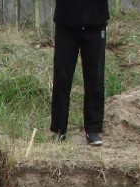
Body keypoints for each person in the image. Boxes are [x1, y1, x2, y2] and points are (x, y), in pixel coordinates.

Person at [50, 0, 109, 146]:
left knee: (95, 77)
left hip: (95, 22)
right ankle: (59, 130)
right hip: (66, 22)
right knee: (62, 78)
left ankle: (93, 129)